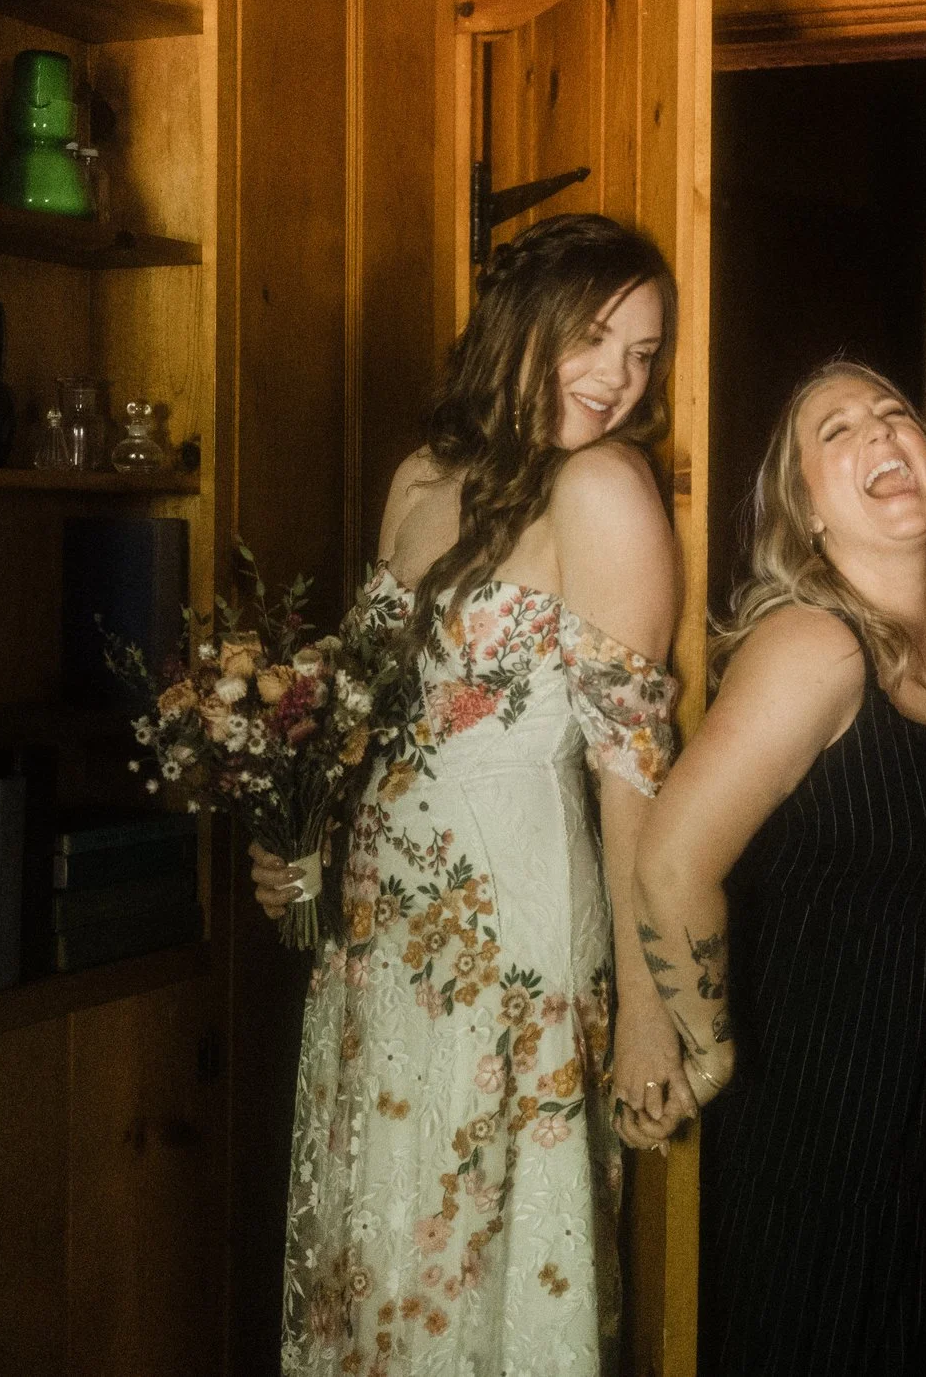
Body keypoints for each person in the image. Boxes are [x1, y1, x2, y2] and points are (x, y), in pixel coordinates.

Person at [249, 213, 689, 1376]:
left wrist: (649, 1007)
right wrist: (300, 845)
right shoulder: (419, 476)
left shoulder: (602, 489)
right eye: (596, 338)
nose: (616, 378)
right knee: (379, 1253)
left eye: (644, 354)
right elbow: (363, 721)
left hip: (511, 938)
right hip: (374, 939)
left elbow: (633, 765)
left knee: (475, 1268)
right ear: (519, 325)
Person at [635, 359, 926, 1376]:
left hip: (923, 1110)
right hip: (801, 1109)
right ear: (803, 510)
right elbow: (673, 859)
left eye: (893, 412)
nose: (878, 434)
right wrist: (709, 1044)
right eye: (836, 430)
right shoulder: (810, 648)